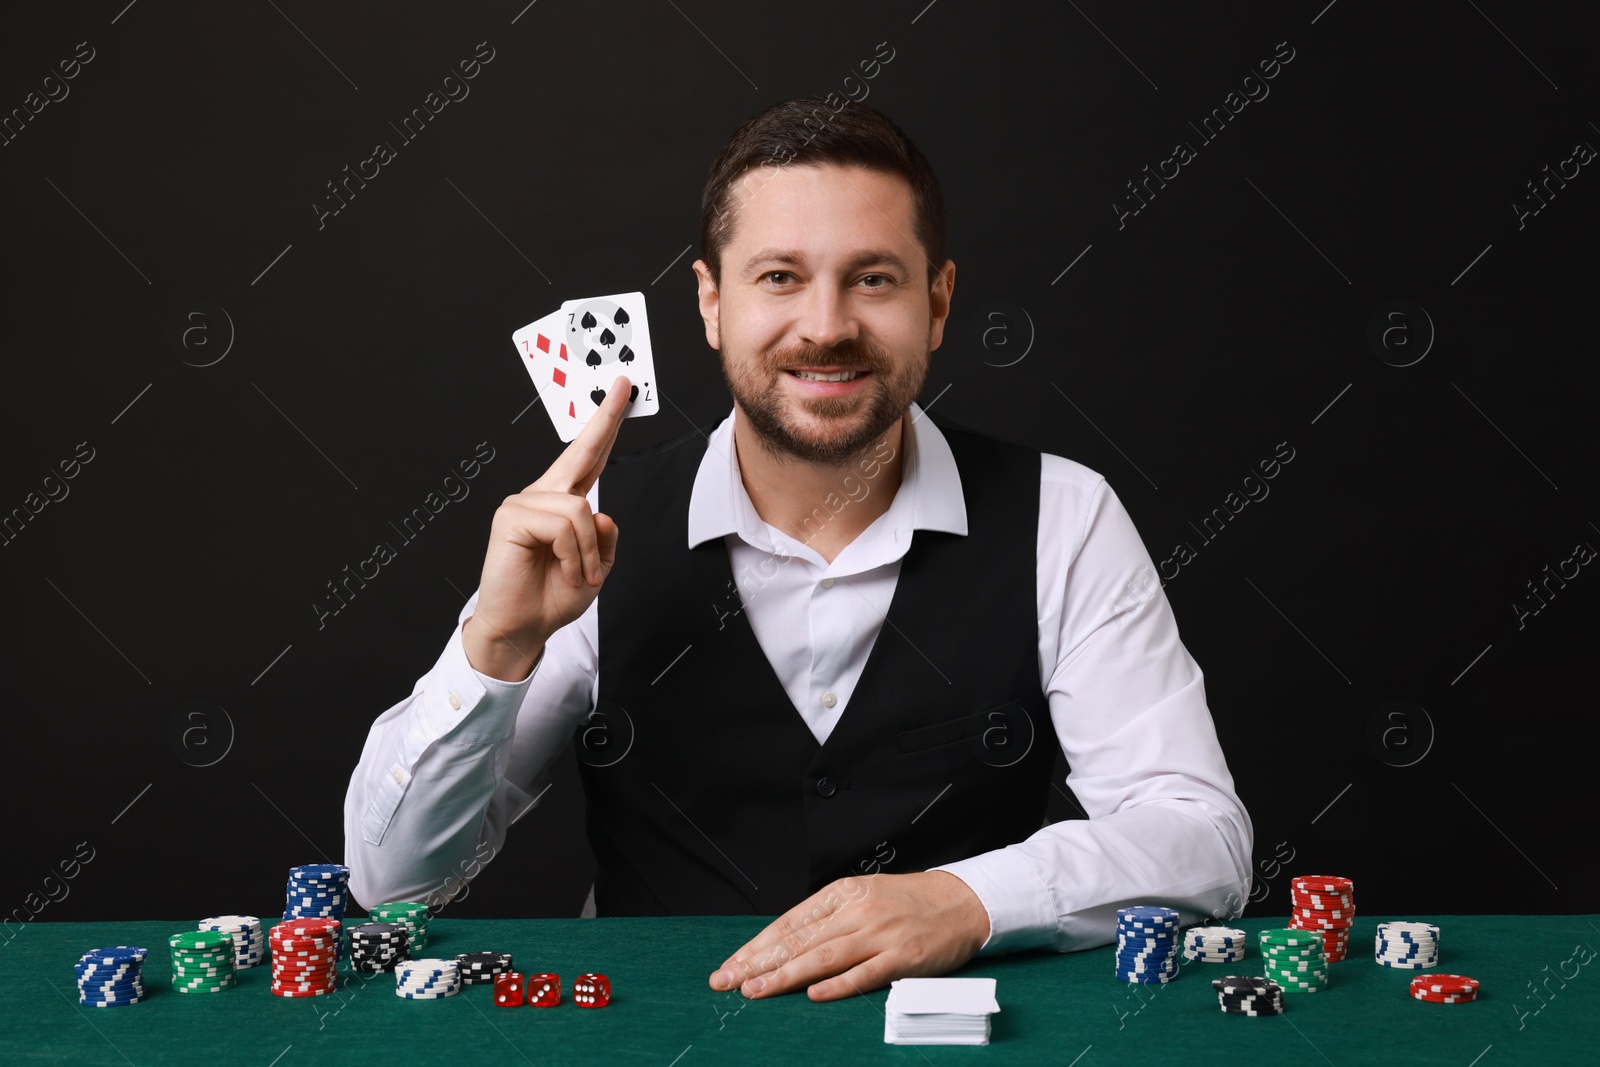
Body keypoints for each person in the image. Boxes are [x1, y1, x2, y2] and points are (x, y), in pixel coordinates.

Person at [344, 96, 1252, 1003]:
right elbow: (394, 883)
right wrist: (496, 650)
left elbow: (1201, 838)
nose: (825, 326)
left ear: (937, 303)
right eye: (780, 276)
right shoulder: (593, 530)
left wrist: (965, 899)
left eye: (874, 279)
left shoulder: (1064, 513)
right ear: (711, 302)